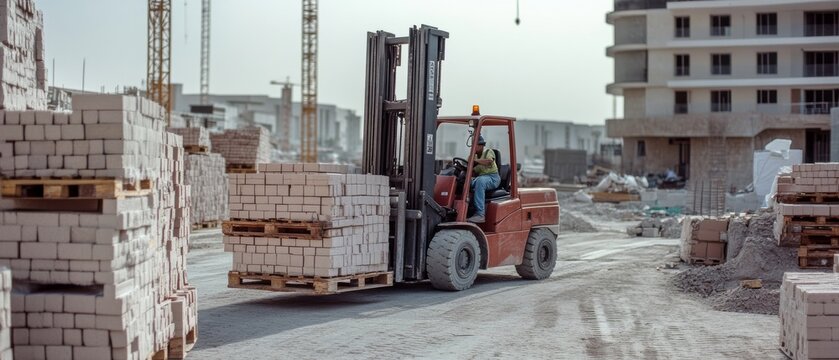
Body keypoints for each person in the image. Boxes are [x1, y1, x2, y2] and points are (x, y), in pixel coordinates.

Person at [467, 135, 500, 223]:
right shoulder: (475, 157)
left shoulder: (488, 152)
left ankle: (480, 214)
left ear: (481, 145)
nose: (473, 148)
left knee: (480, 182)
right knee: (465, 183)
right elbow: (473, 171)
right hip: (480, 178)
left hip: (492, 178)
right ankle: (466, 210)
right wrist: (468, 164)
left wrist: (475, 161)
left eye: (476, 145)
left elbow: (489, 161)